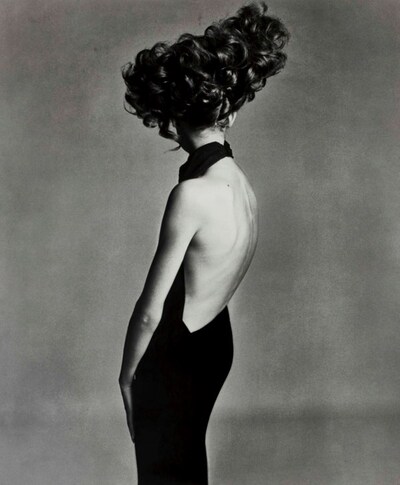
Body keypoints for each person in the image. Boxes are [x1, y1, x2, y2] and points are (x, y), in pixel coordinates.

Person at [118, 2, 289, 484]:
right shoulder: (243, 188)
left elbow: (150, 310)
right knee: (185, 468)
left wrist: (127, 376)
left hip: (175, 354)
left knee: (164, 474)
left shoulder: (193, 194)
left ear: (173, 117)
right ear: (227, 114)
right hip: (213, 346)